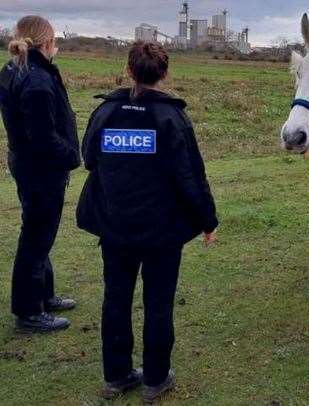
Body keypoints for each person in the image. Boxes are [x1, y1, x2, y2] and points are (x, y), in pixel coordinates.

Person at [76, 41, 219, 402]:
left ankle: (116, 376)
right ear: (165, 73)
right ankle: (154, 379)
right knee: (158, 302)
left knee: (116, 298)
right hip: (161, 233)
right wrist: (208, 221)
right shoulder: (171, 118)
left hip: (116, 228)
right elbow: (191, 177)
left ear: (129, 70)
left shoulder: (106, 113)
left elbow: (89, 158)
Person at [0, 15, 80, 333]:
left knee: (39, 234)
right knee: (36, 237)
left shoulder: (16, 69)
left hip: (27, 164)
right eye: (55, 40)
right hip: (40, 170)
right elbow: (43, 137)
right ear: (47, 42)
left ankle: (43, 295)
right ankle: (29, 312)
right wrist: (71, 156)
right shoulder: (35, 79)